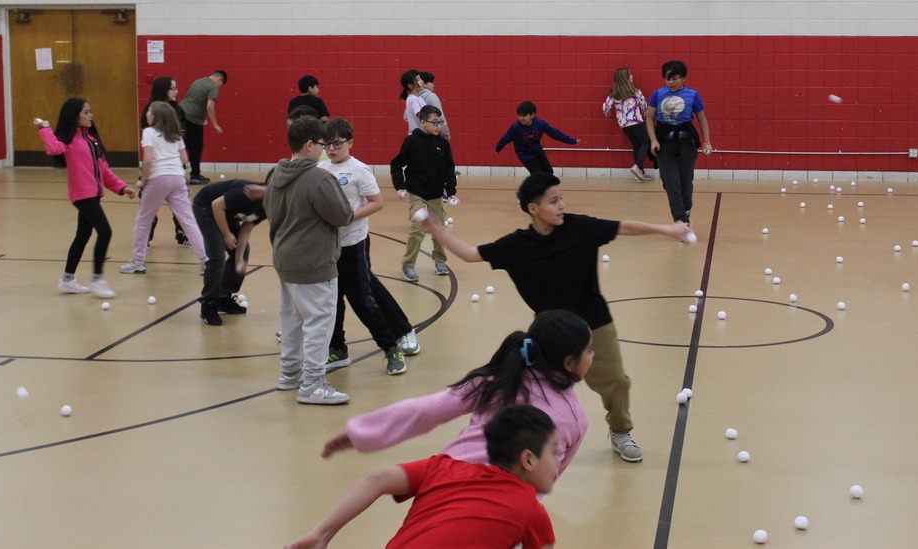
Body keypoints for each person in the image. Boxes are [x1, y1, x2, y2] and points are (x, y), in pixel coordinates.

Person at [418, 173, 693, 463]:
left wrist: (667, 229)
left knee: (617, 382)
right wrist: (434, 229)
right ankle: (527, 441)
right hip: (549, 333)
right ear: (533, 208)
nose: (561, 205)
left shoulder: (579, 228)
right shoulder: (517, 246)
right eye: (553, 201)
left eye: (561, 198)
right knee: (534, 389)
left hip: (593, 323)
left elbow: (622, 226)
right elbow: (470, 254)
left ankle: (620, 431)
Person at [322, 309, 590, 480]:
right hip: (499, 512)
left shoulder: (497, 380)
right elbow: (549, 477)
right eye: (589, 350)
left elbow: (426, 410)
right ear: (569, 363)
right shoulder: (575, 418)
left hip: (444, 479)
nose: (593, 356)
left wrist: (362, 432)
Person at [285, 404, 558, 549]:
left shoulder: (443, 467)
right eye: (554, 452)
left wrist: (321, 534)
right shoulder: (532, 512)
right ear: (528, 460)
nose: (558, 461)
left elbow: (378, 479)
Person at [318, 118, 418, 375]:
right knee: (332, 300)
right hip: (328, 247)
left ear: (350, 143)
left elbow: (377, 202)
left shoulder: (359, 170)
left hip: (353, 244)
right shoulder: (321, 168)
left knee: (362, 300)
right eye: (327, 144)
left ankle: (390, 347)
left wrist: (350, 216)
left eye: (337, 144)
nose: (332, 149)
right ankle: (337, 348)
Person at [265, 116, 354, 405]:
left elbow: (270, 210)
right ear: (309, 145)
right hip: (314, 263)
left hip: (284, 259)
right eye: (322, 144)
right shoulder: (319, 179)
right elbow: (343, 215)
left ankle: (290, 373)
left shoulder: (275, 174)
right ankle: (312, 384)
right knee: (319, 322)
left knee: (291, 319)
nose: (325, 150)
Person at [35, 98, 136, 298]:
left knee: (83, 235)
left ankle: (67, 279)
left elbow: (104, 170)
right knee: (105, 231)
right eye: (86, 112)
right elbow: (54, 148)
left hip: (94, 194)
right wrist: (44, 129)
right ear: (75, 116)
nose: (91, 115)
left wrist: (122, 187)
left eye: (90, 111)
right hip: (82, 195)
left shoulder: (92, 139)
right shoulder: (68, 140)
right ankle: (97, 279)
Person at [120, 102, 207, 275]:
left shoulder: (148, 132)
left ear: (155, 116)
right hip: (178, 178)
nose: (147, 114)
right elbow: (184, 159)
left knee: (144, 221)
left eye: (149, 111)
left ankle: (138, 262)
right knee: (188, 221)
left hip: (158, 178)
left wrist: (143, 180)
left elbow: (148, 159)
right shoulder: (175, 134)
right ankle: (206, 261)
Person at [390, 105, 457, 283]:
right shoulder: (411, 141)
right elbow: (396, 164)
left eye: (440, 122)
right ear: (422, 122)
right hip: (416, 193)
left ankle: (440, 260)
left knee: (439, 229)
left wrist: (451, 191)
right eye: (434, 122)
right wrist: (400, 186)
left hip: (435, 194)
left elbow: (449, 169)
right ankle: (408, 265)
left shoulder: (443, 144)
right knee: (417, 229)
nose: (438, 126)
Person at [645, 60, 713, 226]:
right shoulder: (657, 94)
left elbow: (702, 119)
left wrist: (706, 141)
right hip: (664, 145)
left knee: (685, 184)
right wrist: (653, 140)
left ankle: (685, 212)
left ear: (683, 78)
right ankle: (680, 221)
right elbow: (650, 118)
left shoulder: (693, 95)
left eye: (674, 78)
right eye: (667, 78)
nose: (671, 82)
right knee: (670, 183)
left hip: (686, 144)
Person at [192, 178, 266, 326]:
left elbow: (246, 229)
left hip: (225, 213)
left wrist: (239, 259)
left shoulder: (267, 208)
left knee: (243, 251)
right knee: (217, 256)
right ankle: (208, 304)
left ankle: (223, 296)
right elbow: (216, 205)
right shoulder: (248, 193)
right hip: (206, 206)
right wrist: (226, 234)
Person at [140, 75, 190, 248]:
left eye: (176, 88)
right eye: (172, 88)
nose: (176, 92)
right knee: (148, 203)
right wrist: (145, 176)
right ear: (163, 90)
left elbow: (181, 142)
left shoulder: (178, 111)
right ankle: (146, 236)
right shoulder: (150, 111)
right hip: (155, 165)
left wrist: (185, 168)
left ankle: (182, 234)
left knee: (181, 202)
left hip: (174, 166)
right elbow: (149, 146)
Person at [495, 101, 580, 176]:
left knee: (549, 172)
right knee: (538, 174)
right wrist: (498, 149)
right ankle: (536, 188)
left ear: (533, 115)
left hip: (537, 151)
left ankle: (541, 187)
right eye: (519, 116)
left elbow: (555, 134)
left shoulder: (540, 124)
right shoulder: (516, 128)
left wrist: (573, 141)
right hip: (525, 154)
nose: (521, 118)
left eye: (524, 116)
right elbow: (505, 139)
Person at [603, 67, 655, 182]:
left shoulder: (614, 93)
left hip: (624, 124)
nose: (632, 76)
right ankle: (638, 166)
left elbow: (606, 107)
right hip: (635, 121)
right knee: (646, 142)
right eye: (630, 74)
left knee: (637, 145)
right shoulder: (635, 91)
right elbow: (643, 104)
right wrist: (645, 115)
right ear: (625, 78)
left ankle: (640, 172)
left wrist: (608, 113)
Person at [180, 70, 227, 185]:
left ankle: (177, 174)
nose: (219, 87)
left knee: (181, 144)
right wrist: (215, 124)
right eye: (221, 84)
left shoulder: (198, 81)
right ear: (219, 80)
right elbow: (210, 106)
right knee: (196, 147)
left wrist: (201, 118)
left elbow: (192, 100)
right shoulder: (213, 86)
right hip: (192, 119)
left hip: (180, 114)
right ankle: (195, 175)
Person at [417, 72, 450, 140]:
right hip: (429, 136)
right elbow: (440, 117)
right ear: (424, 84)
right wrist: (446, 134)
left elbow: (406, 117)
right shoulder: (432, 97)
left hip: (415, 134)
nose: (434, 84)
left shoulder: (414, 97)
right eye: (431, 82)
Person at [399, 69, 425, 135]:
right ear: (410, 85)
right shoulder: (413, 99)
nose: (422, 81)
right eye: (418, 80)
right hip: (417, 135)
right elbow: (421, 115)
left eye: (420, 79)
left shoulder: (418, 98)